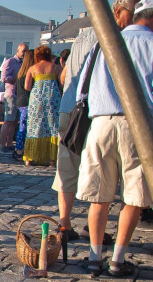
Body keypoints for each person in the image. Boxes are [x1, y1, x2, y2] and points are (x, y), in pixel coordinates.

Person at [76, 0, 153, 277]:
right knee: (134, 195)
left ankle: (95, 257)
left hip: (101, 121)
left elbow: (82, 87)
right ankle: (117, 260)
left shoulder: (105, 42)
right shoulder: (151, 43)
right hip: (138, 123)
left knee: (100, 196)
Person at [53, 0, 136, 242]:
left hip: (70, 107)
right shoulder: (114, 37)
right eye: (132, 14)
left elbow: (67, 74)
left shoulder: (81, 35)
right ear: (117, 12)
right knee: (106, 171)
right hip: (95, 111)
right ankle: (93, 229)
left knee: (67, 168)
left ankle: (65, 223)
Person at [22, 46, 61, 166]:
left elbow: (27, 86)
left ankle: (29, 157)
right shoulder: (55, 67)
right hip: (52, 98)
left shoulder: (32, 68)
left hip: (37, 99)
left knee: (34, 125)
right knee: (52, 126)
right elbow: (62, 83)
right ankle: (52, 160)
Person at [0, 43, 28, 154]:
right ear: (18, 50)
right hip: (11, 94)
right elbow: (4, 78)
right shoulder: (10, 62)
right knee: (8, 120)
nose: (24, 53)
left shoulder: (24, 63)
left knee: (14, 121)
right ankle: (2, 145)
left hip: (19, 95)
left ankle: (10, 143)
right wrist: (17, 78)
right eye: (23, 51)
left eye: (26, 51)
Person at [13, 49, 35, 160]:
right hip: (27, 101)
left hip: (20, 101)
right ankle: (20, 150)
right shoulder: (29, 73)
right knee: (24, 127)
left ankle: (19, 149)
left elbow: (16, 89)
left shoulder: (20, 73)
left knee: (22, 126)